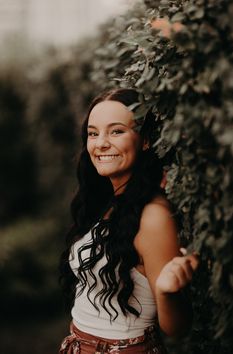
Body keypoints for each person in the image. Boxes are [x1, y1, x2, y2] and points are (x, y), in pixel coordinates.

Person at [59, 88, 199, 354]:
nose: (100, 143)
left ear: (144, 140)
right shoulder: (108, 202)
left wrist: (169, 292)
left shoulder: (154, 216)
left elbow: (177, 328)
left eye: (116, 131)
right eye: (93, 132)